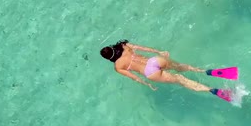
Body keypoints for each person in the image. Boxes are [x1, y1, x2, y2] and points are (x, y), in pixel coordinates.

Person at [99, 40, 232, 102]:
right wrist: (158, 51)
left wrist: (148, 84)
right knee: (180, 67)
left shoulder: (118, 66)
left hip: (150, 73)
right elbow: (143, 48)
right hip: (154, 60)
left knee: (182, 80)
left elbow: (134, 77)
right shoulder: (124, 46)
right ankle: (205, 71)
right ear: (111, 47)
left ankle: (213, 90)